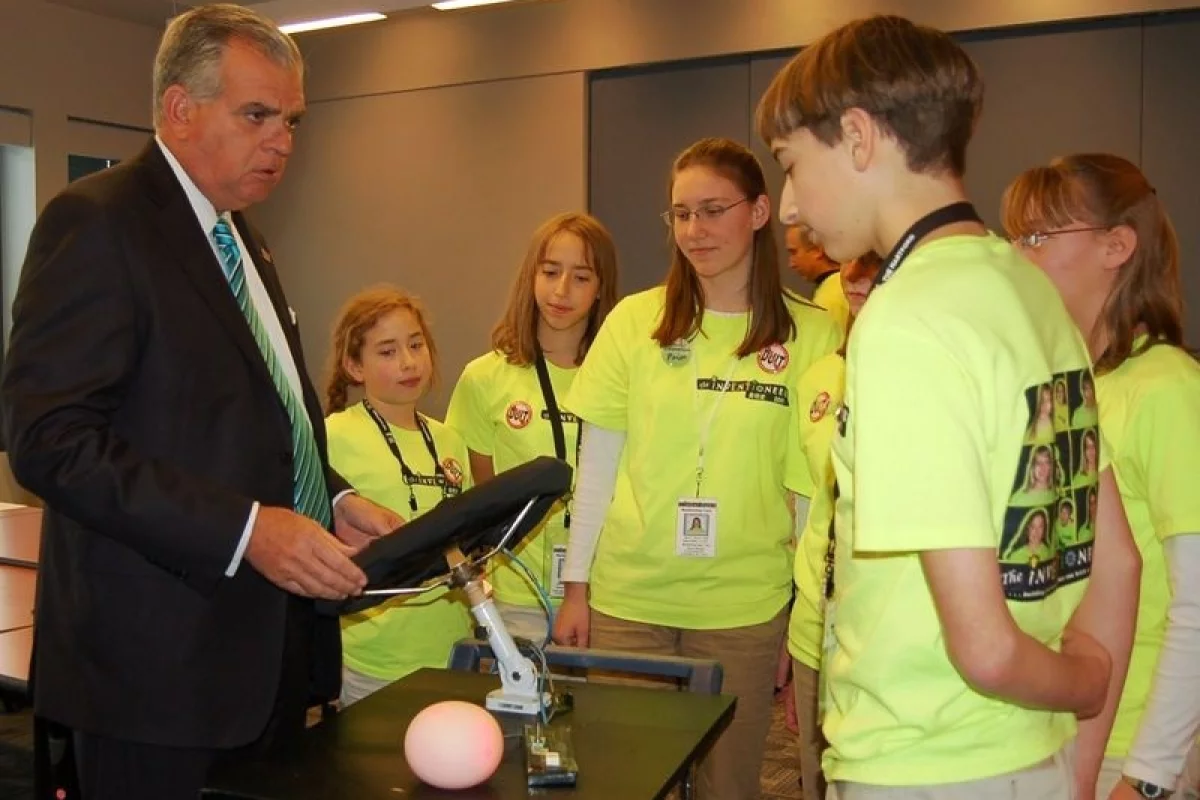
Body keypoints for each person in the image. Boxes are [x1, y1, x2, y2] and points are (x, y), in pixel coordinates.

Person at [0, 5, 399, 798]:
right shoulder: (98, 222)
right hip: (155, 678)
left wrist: (331, 499)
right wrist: (247, 529)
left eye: (291, 120)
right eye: (257, 115)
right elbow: (48, 437)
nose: (282, 141)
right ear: (180, 109)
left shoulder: (242, 236)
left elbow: (252, 416)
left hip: (264, 660)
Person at [756, 14, 1141, 798]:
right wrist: (1078, 754)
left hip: (919, 764)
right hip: (1033, 756)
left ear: (858, 137)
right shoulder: (1028, 289)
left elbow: (987, 650)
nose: (789, 206)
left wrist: (1087, 685)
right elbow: (1115, 560)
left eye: (792, 165)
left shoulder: (906, 319)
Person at [553, 137, 841, 799]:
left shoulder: (811, 334)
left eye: (713, 210)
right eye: (681, 214)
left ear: (760, 212)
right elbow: (596, 467)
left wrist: (800, 620)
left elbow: (810, 498)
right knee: (626, 784)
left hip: (744, 609)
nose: (694, 230)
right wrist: (576, 586)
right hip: (629, 599)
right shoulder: (635, 322)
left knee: (726, 788)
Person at [1004, 152, 1200, 799]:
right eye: (1015, 238)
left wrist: (1148, 776)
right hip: (1067, 727)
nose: (1018, 256)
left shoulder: (1166, 388)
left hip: (1133, 744)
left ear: (1116, 246)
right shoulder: (1075, 383)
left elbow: (1197, 604)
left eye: (1037, 237)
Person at [445, 213, 618, 642]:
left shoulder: (620, 377)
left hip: (606, 591)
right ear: (531, 277)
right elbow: (475, 498)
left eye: (581, 277)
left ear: (601, 288)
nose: (561, 290)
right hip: (515, 593)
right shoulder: (485, 378)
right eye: (550, 272)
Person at [324, 286, 474, 705]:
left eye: (416, 345)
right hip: (374, 658)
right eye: (387, 352)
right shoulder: (333, 436)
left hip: (452, 650)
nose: (408, 362)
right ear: (354, 366)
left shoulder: (450, 439)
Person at [786, 250, 881, 800]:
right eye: (849, 262)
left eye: (875, 260)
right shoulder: (820, 376)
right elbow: (808, 508)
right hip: (814, 623)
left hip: (884, 635)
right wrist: (794, 624)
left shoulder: (936, 374)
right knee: (815, 778)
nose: (854, 276)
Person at [786, 224, 851, 330]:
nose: (791, 263)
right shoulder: (840, 286)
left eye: (794, 252)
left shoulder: (830, 297)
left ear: (817, 250)